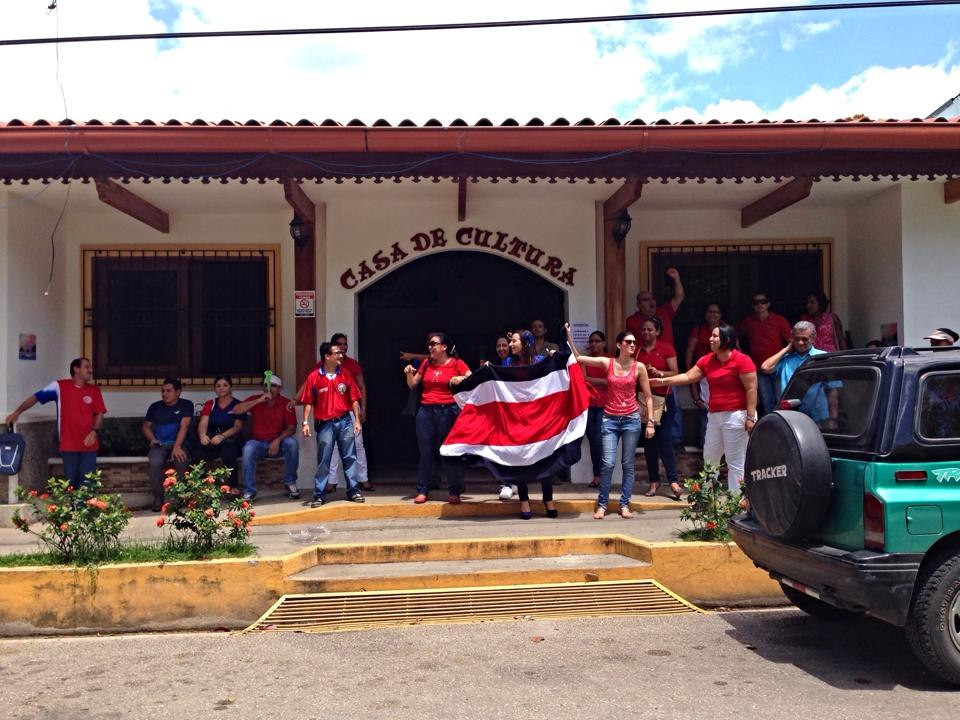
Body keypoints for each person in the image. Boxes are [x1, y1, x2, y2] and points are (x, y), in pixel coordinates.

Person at [652, 324, 757, 492]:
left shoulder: (742, 360)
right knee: (710, 458)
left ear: (726, 340)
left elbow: (751, 389)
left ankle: (737, 502)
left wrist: (750, 417)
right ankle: (707, 499)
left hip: (737, 415)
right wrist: (663, 381)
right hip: (714, 416)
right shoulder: (707, 359)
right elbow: (688, 376)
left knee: (735, 461)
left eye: (715, 336)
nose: (710, 339)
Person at [566, 324, 656, 520]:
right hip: (610, 419)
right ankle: (602, 504)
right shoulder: (608, 362)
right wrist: (569, 336)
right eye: (628, 342)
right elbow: (579, 358)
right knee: (607, 463)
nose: (632, 345)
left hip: (631, 419)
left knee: (627, 464)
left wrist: (650, 422)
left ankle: (624, 504)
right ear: (619, 345)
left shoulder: (639, 367)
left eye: (634, 342)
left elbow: (648, 396)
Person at [5, 357, 106, 489]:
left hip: (89, 446)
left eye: (90, 367)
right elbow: (36, 397)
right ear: (76, 369)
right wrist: (17, 412)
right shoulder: (59, 387)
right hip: (68, 445)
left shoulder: (94, 390)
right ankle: (73, 503)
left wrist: (94, 431)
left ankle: (86, 503)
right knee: (71, 484)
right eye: (87, 367)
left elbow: (99, 413)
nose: (90, 370)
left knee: (89, 483)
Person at [497, 330, 559, 518]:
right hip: (517, 418)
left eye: (514, 341)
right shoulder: (508, 363)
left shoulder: (541, 360)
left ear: (525, 344)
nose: (510, 344)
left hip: (539, 417)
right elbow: (501, 383)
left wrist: (555, 358)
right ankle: (524, 501)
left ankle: (548, 499)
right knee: (521, 460)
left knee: (544, 459)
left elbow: (555, 378)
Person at [403, 333, 471, 504]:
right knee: (426, 451)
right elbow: (413, 384)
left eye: (434, 344)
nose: (430, 347)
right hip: (426, 412)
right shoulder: (426, 363)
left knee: (449, 452)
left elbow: (472, 378)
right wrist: (409, 373)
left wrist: (461, 378)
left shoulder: (457, 363)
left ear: (444, 347)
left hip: (448, 411)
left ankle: (454, 490)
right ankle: (422, 489)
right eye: (429, 344)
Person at [625, 268, 686, 448]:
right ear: (638, 304)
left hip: (667, 365)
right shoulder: (632, 320)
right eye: (645, 299)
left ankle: (676, 440)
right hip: (643, 367)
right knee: (642, 403)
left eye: (652, 298)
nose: (651, 301)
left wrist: (676, 278)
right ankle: (646, 438)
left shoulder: (664, 311)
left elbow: (679, 296)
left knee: (673, 404)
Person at [300, 342, 364, 507]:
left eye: (341, 353)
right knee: (324, 460)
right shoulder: (314, 377)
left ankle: (354, 491)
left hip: (345, 421)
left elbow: (354, 399)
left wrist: (357, 420)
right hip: (325, 424)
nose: (341, 355)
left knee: (350, 457)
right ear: (327, 356)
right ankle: (319, 495)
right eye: (336, 353)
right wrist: (305, 422)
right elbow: (308, 402)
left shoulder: (345, 374)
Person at [635, 317, 683, 501]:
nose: (646, 332)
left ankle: (673, 481)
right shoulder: (637, 350)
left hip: (664, 399)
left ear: (657, 331)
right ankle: (654, 481)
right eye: (643, 329)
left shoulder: (666, 348)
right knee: (649, 442)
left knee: (665, 439)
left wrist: (659, 373)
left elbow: (675, 372)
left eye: (650, 329)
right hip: (644, 400)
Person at [232, 375, 299, 502]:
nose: (269, 388)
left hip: (278, 443)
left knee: (292, 443)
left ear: (280, 388)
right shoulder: (256, 399)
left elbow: (292, 428)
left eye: (273, 386)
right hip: (258, 442)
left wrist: (278, 440)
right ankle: (249, 491)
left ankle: (290, 483)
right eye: (266, 385)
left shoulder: (286, 403)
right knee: (248, 449)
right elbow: (236, 410)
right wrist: (258, 401)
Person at [325, 333, 374, 494]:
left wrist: (363, 408)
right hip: (332, 412)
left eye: (345, 344)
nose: (343, 347)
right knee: (333, 447)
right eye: (340, 344)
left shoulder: (352, 364)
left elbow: (362, 387)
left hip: (351, 411)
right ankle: (331, 481)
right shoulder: (325, 364)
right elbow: (312, 383)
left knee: (358, 445)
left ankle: (363, 479)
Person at [142, 378, 193, 511]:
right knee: (155, 463)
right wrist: (152, 439)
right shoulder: (155, 407)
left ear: (178, 392)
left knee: (181, 459)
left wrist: (177, 447)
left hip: (180, 444)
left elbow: (184, 426)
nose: (164, 394)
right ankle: (158, 499)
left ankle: (182, 497)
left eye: (168, 390)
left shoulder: (186, 405)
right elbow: (146, 426)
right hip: (160, 445)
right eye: (163, 391)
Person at [737, 291, 790, 416]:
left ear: (768, 304)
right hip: (759, 369)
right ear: (752, 305)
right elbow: (735, 335)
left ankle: (782, 426)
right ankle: (771, 427)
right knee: (767, 403)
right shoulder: (747, 322)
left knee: (780, 400)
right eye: (756, 302)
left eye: (763, 302)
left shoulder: (779, 320)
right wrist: (741, 353)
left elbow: (791, 341)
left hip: (778, 368)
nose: (760, 305)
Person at [192, 376, 245, 495]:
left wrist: (222, 436)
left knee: (228, 453)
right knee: (197, 453)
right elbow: (203, 422)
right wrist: (202, 435)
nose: (222, 388)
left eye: (225, 385)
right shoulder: (210, 404)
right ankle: (200, 487)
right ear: (214, 389)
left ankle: (233, 487)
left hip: (230, 439)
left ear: (231, 387)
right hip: (213, 439)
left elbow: (237, 427)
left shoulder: (238, 404)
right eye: (218, 386)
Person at [685, 302, 725, 448]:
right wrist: (689, 369)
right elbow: (690, 351)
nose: (712, 314)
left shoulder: (726, 329)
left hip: (723, 372)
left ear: (720, 315)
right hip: (703, 373)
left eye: (716, 312)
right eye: (709, 311)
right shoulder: (699, 330)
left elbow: (736, 349)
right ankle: (705, 449)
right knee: (706, 410)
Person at [760, 320, 824, 399]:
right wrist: (787, 349)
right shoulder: (787, 359)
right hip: (790, 405)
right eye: (797, 339)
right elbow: (765, 368)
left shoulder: (822, 357)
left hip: (815, 405)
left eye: (804, 339)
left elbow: (832, 388)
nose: (800, 343)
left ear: (813, 339)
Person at [583, 330, 609, 489]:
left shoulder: (609, 360)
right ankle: (597, 475)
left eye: (597, 341)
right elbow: (583, 380)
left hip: (605, 404)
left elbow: (610, 382)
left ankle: (602, 476)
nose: (593, 344)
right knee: (593, 440)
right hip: (589, 404)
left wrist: (591, 380)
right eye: (591, 341)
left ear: (604, 343)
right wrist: (601, 382)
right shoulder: (585, 360)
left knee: (599, 441)